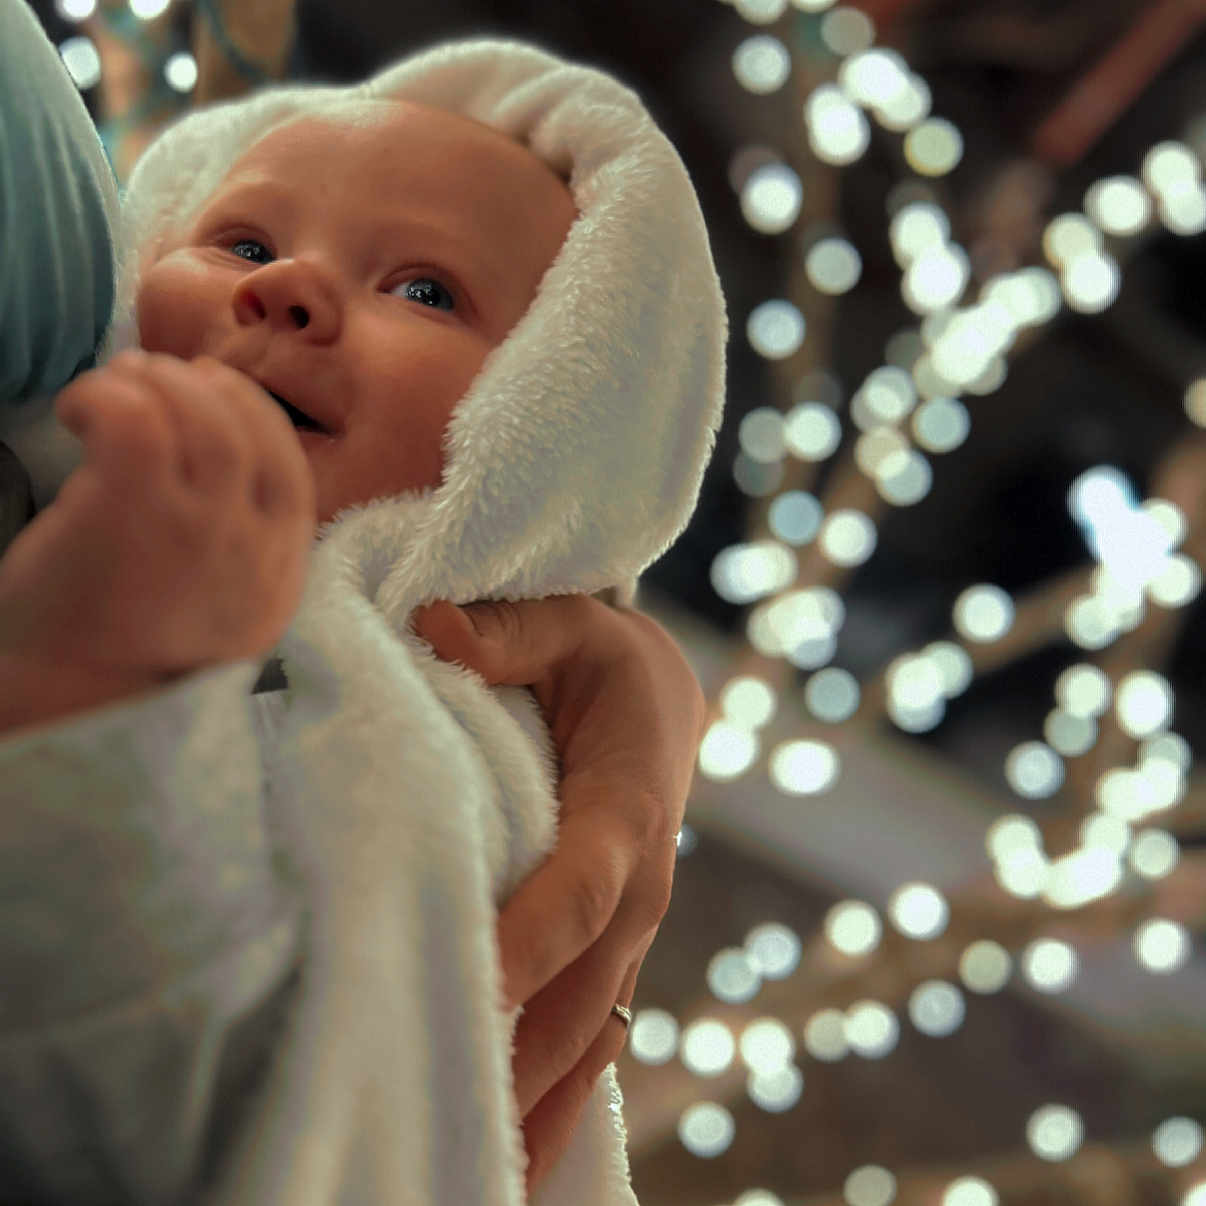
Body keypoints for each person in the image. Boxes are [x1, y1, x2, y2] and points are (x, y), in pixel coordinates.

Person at [0, 14, 726, 1206]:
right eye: (239, 242)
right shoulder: (42, 464)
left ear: (547, 442)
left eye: (427, 289)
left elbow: (297, 1114)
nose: (286, 288)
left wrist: (93, 712)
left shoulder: (448, 755)